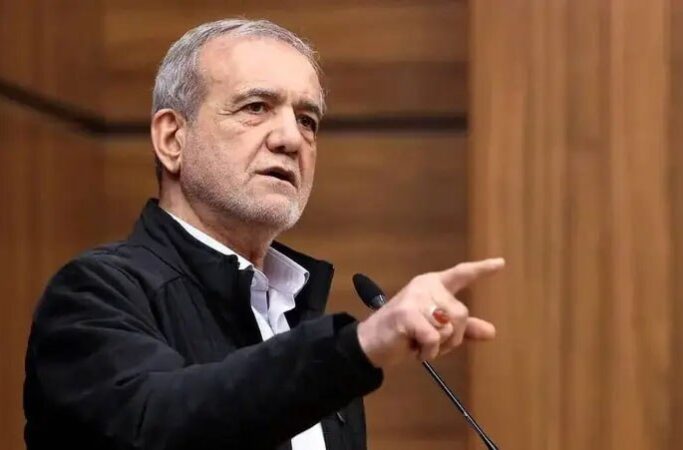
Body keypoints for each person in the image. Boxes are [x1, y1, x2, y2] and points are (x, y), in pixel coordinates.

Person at [23, 18, 505, 450]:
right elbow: (166, 424)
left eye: (307, 120)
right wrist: (358, 347)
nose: (291, 139)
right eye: (256, 107)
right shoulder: (92, 295)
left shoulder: (302, 322)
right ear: (172, 139)